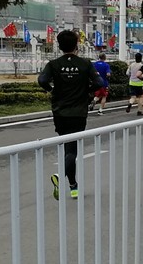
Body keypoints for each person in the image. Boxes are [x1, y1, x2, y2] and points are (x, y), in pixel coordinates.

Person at [38, 29, 102, 200]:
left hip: (59, 111)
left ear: (59, 46)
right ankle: (60, 176)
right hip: (79, 112)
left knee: (68, 147)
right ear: (76, 45)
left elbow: (42, 80)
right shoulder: (85, 64)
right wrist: (86, 92)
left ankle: (73, 186)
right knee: (72, 150)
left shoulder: (53, 64)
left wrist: (51, 90)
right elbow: (99, 82)